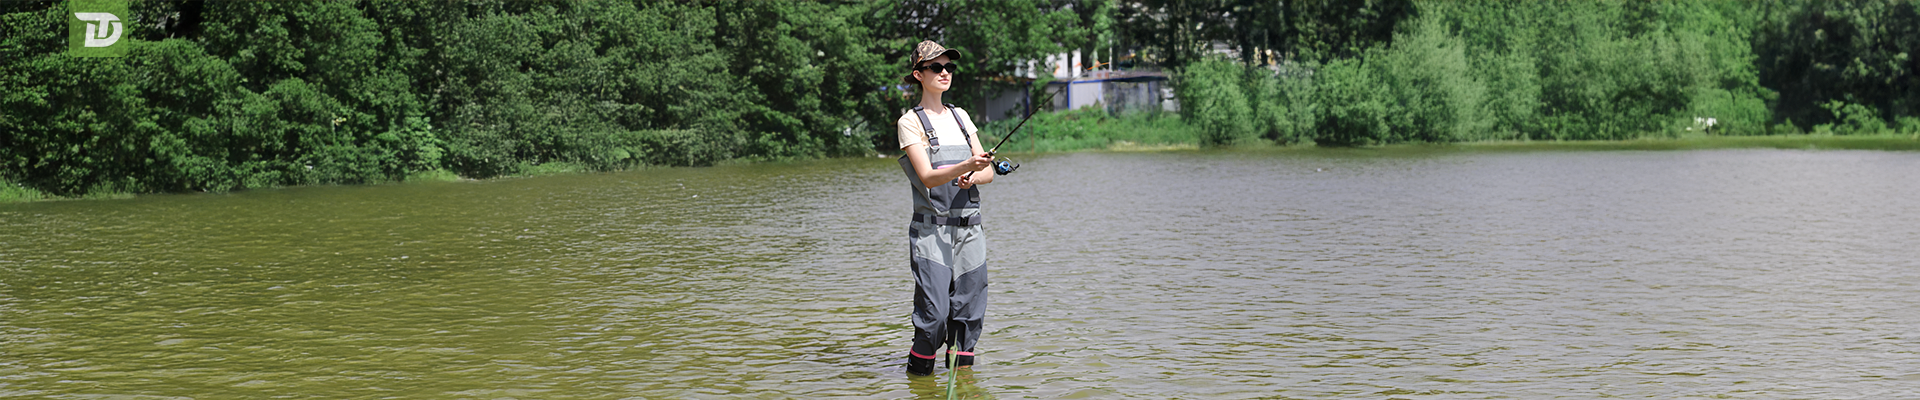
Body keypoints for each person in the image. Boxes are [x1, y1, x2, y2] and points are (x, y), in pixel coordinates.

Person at [895, 40, 996, 376]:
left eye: (949, 67)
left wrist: (973, 176)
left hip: (970, 230)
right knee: (934, 316)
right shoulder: (910, 122)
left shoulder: (961, 116)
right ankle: (920, 383)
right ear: (918, 74)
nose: (944, 73)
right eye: (936, 67)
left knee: (968, 315)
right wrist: (964, 166)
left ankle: (962, 385)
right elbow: (927, 176)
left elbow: (988, 173)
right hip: (931, 231)